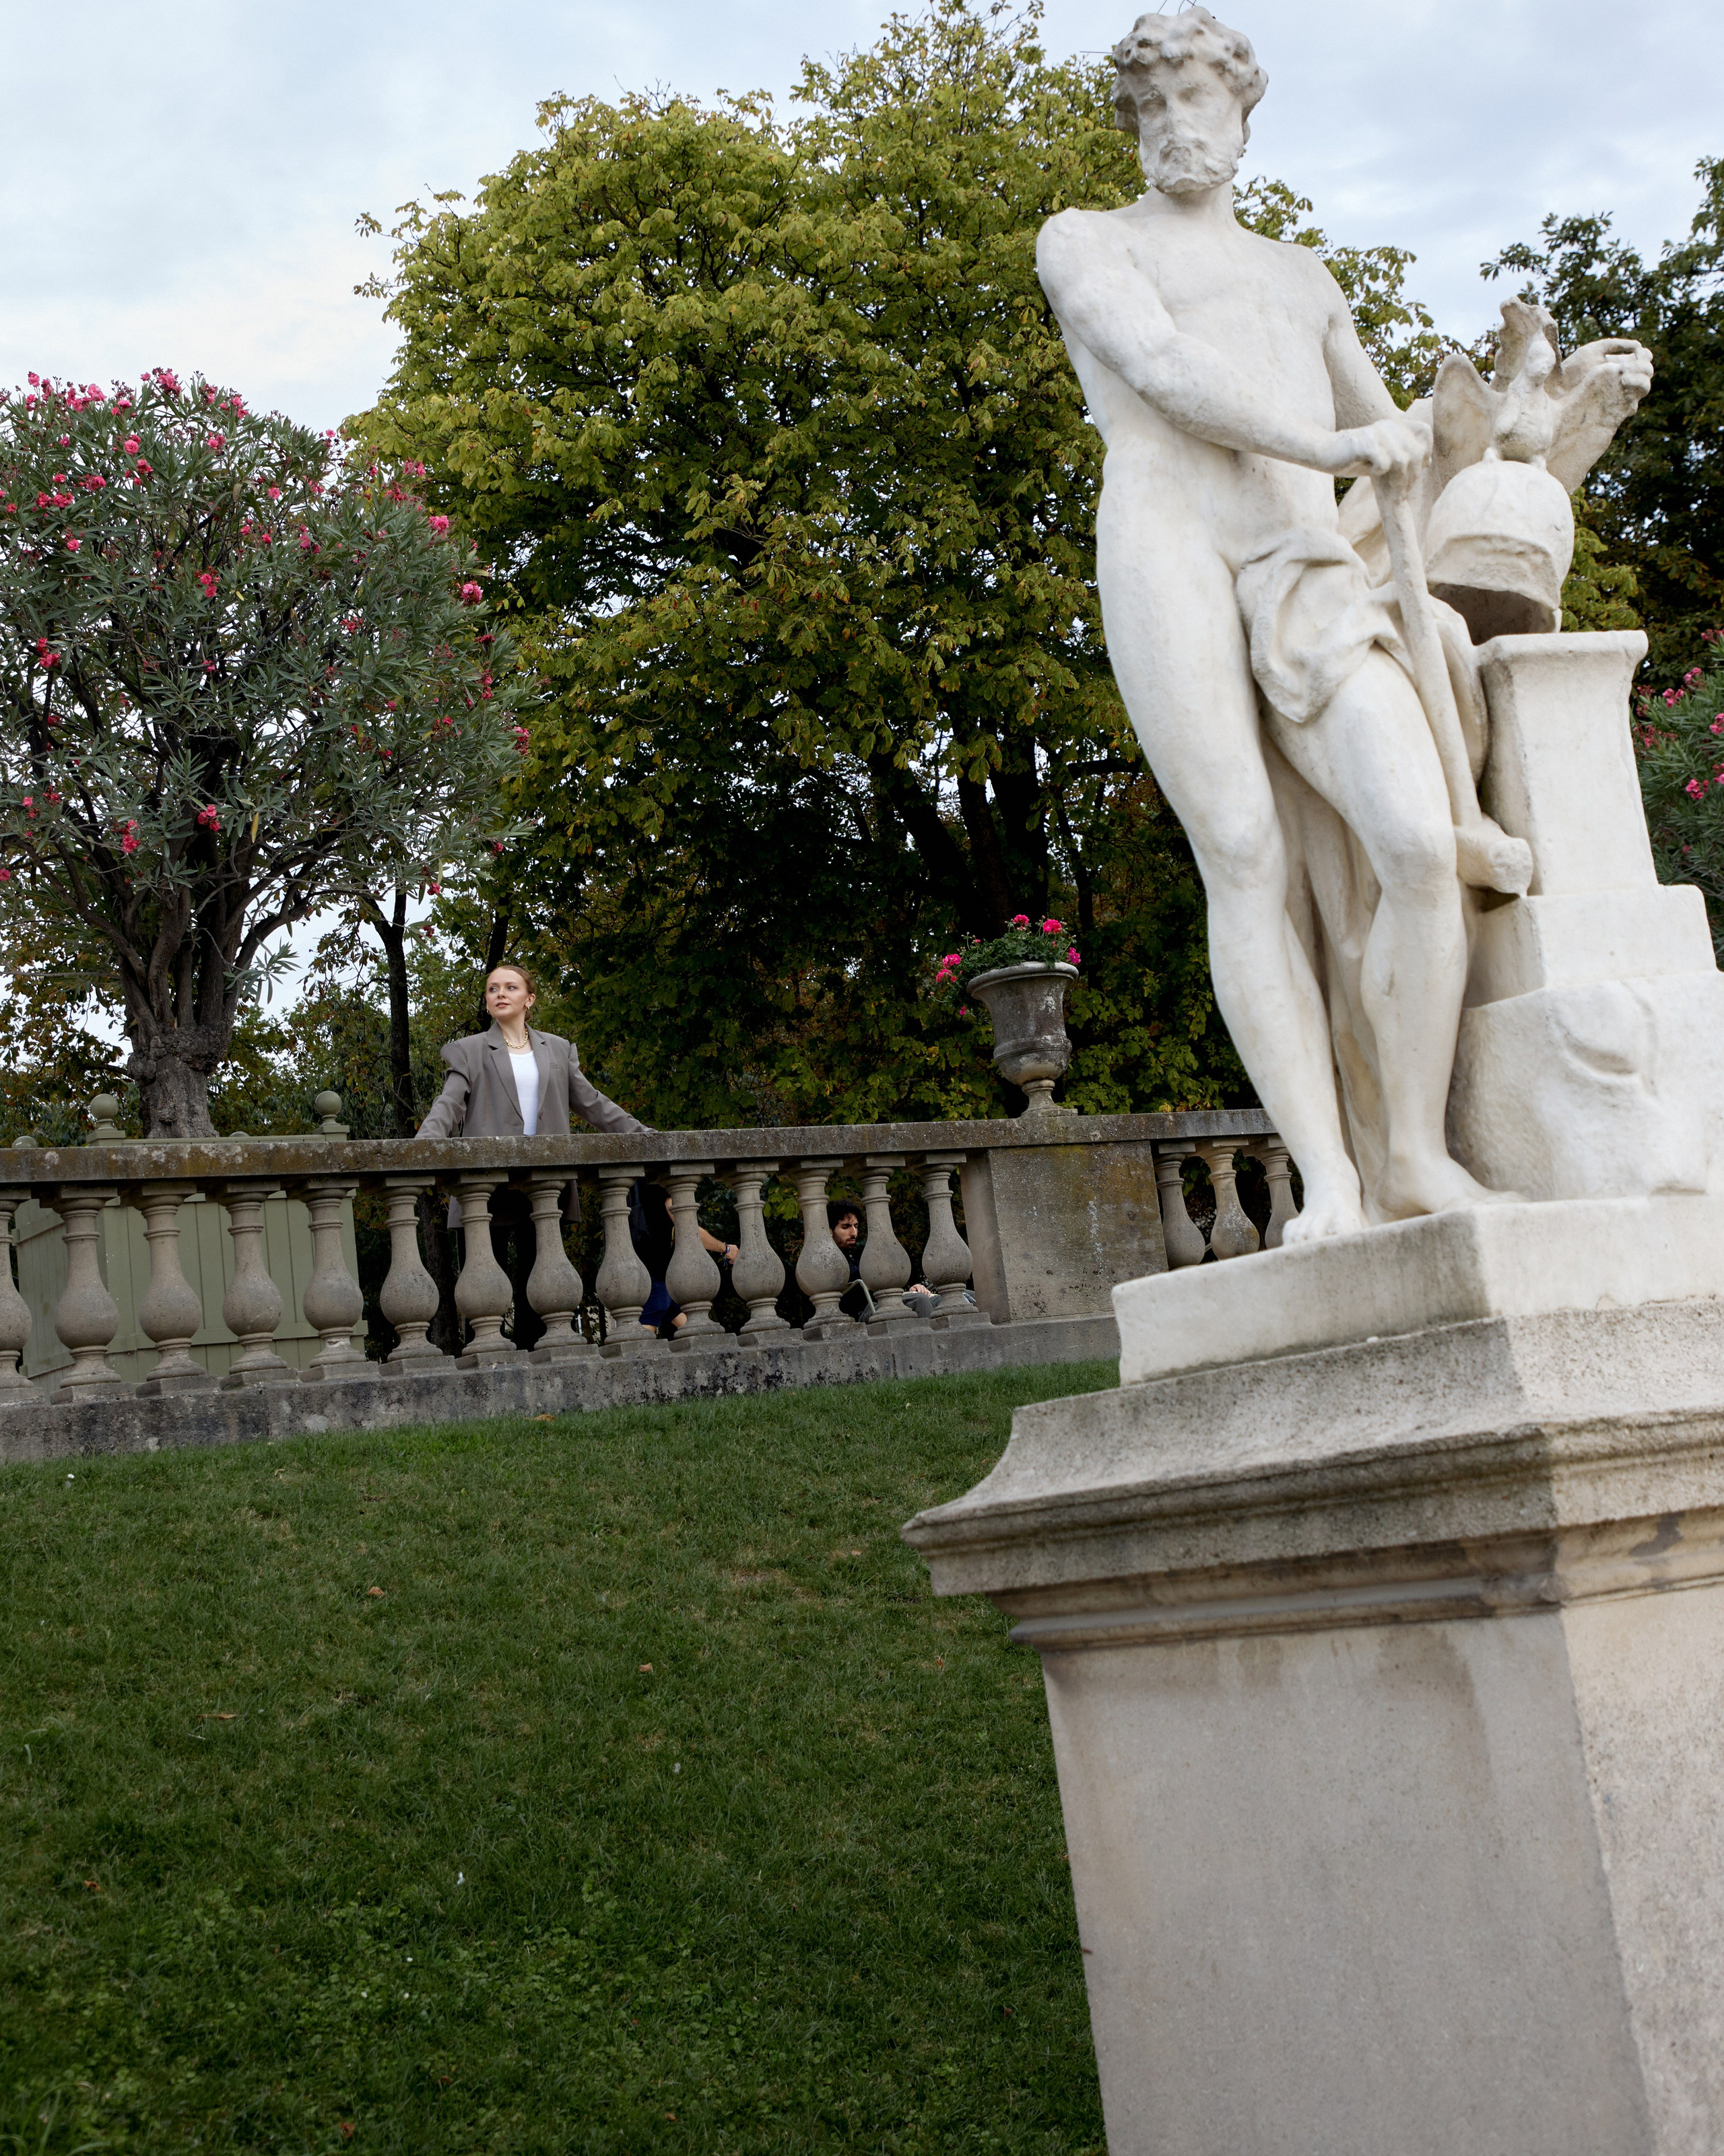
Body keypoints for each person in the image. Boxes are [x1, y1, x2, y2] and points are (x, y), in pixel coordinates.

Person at [1033, 10, 1558, 1237]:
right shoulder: (1084, 241)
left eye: (1198, 102)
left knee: (1421, 849)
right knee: (1245, 850)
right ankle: (1327, 1176)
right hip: (1171, 550)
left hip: (1308, 567)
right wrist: (1331, 444)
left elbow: (1407, 443)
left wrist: (1496, 412)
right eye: (1153, 108)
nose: (1176, 126)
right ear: (1133, 126)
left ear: (1241, 117)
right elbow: (1161, 370)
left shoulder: (1302, 276)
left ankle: (1415, 1157)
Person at [417, 961, 650, 1348]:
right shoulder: (470, 1050)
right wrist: (421, 1148)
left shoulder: (557, 1048)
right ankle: (485, 1367)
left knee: (539, 1283)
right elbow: (449, 1105)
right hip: (485, 1185)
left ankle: (540, 1358)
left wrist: (643, 1135)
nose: (501, 994)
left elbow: (591, 1103)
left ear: (530, 999)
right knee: (484, 1289)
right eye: (493, 989)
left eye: (510, 987)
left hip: (544, 1182)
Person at [628, 1181, 739, 1336]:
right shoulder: (659, 1187)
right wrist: (725, 1249)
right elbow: (689, 1230)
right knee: (648, 1323)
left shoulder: (635, 1187)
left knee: (677, 1314)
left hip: (638, 1265)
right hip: (655, 1269)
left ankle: (710, 1350)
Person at [829, 1199, 871, 1321]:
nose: (854, 1233)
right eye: (846, 1227)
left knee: (924, 1299)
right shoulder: (828, 1261)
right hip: (859, 1315)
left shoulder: (854, 1255)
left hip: (877, 1306)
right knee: (919, 1301)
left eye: (856, 1226)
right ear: (830, 1231)